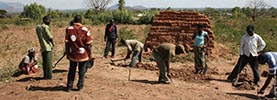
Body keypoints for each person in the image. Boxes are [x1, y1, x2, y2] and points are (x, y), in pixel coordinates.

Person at [64, 15, 92, 91]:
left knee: (71, 70)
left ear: (74, 20)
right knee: (82, 71)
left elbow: (67, 43)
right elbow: (88, 44)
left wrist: (67, 52)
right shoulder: (85, 30)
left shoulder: (69, 29)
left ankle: (69, 86)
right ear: (81, 21)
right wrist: (90, 55)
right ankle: (80, 86)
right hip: (83, 55)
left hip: (73, 54)